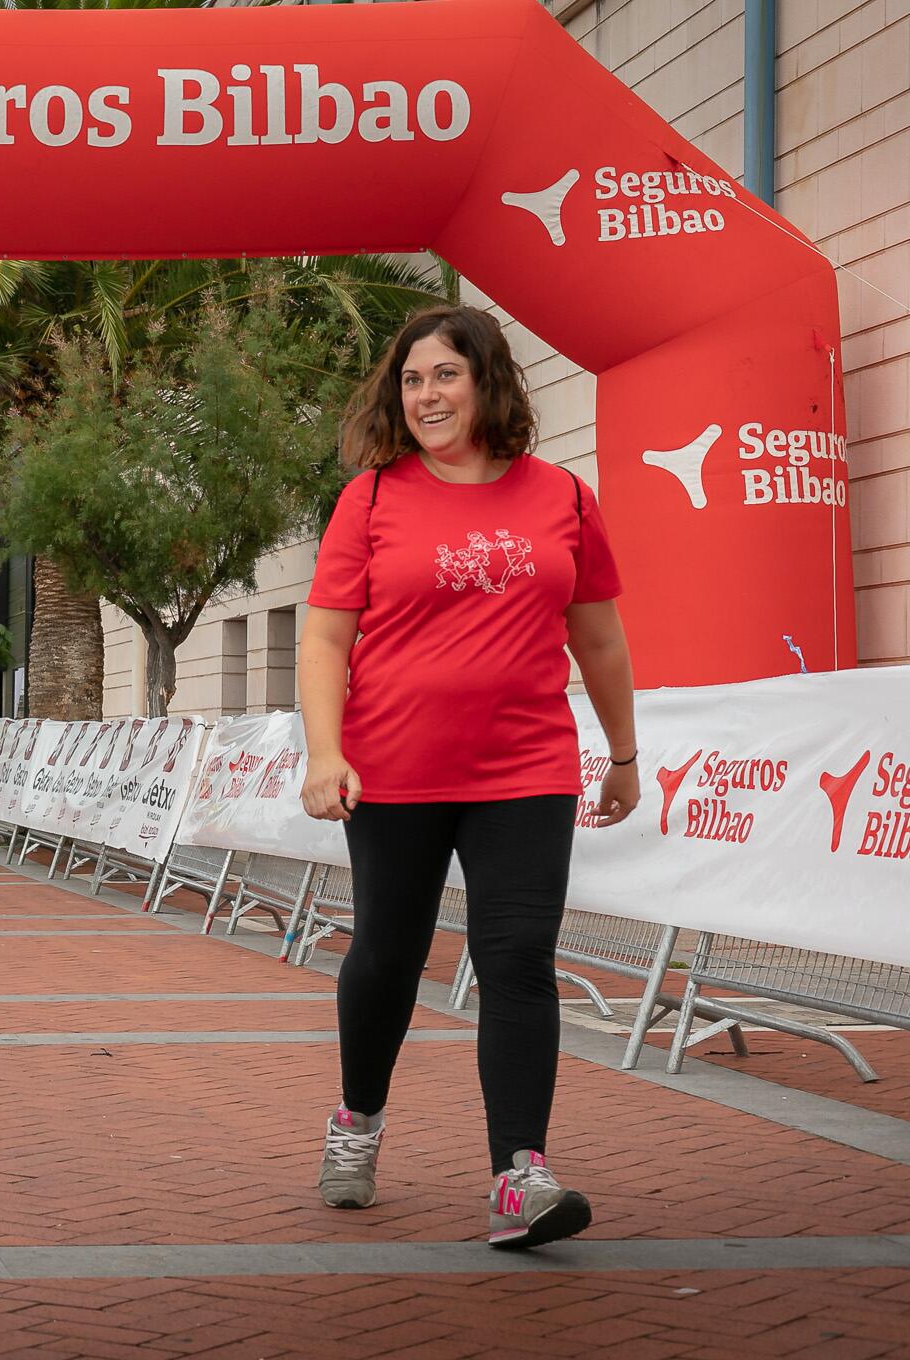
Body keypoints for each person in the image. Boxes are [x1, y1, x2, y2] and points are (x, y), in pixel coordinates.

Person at [298, 305, 640, 1251]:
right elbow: (329, 635)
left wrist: (624, 753)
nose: (426, 396)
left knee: (518, 958)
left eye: (445, 375)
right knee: (387, 957)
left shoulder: (562, 498)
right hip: (395, 770)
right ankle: (358, 1121)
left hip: (524, 768)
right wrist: (325, 752)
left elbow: (599, 636)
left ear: (490, 382)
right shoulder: (371, 500)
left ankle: (518, 1175)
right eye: (412, 381)